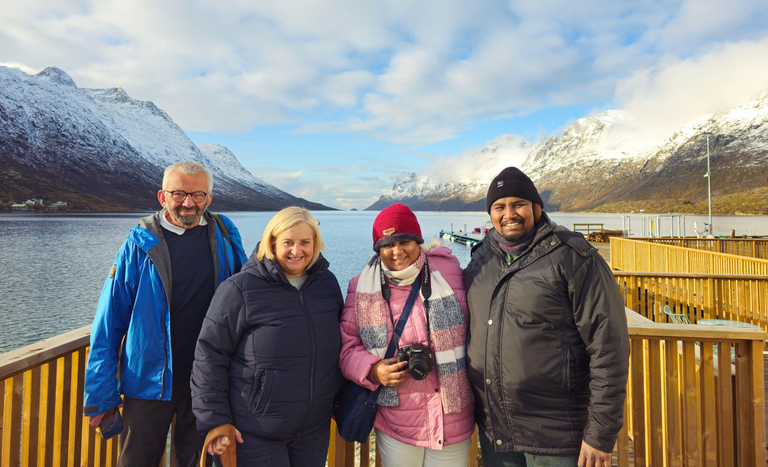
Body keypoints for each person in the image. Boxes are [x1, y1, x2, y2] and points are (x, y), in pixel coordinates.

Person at [83, 160, 247, 467]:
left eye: (198, 195)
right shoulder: (138, 243)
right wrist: (100, 393)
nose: (188, 203)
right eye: (178, 193)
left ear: (208, 199)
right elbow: (109, 321)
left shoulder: (225, 233)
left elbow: (248, 292)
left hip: (205, 382)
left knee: (195, 462)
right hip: (147, 384)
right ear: (162, 197)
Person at [463, 167, 630, 467]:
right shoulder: (481, 260)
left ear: (537, 208)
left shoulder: (573, 256)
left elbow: (609, 347)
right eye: (499, 207)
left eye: (519, 204)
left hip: (557, 437)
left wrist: (600, 433)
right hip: (497, 435)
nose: (509, 213)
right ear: (490, 214)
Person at [191, 206, 344, 466]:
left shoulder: (327, 285)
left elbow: (340, 346)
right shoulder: (240, 288)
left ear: (316, 243)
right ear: (272, 242)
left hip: (313, 432)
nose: (297, 251)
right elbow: (209, 356)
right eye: (288, 242)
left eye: (305, 242)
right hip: (254, 434)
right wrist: (215, 419)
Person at [340, 203, 475, 467]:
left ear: (419, 242)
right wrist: (373, 369)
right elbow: (347, 348)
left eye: (405, 241)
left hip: (453, 417)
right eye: (388, 244)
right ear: (378, 248)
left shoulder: (450, 274)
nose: (397, 251)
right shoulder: (362, 287)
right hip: (397, 421)